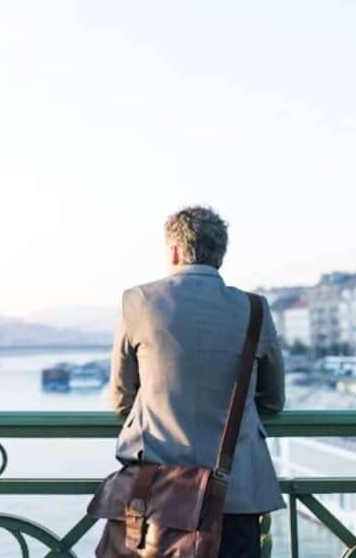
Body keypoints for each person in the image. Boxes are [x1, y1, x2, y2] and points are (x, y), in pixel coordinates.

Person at [110, 205, 286, 558]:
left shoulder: (138, 301)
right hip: (235, 491)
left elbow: (121, 397)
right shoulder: (255, 308)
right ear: (220, 254)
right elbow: (273, 400)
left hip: (159, 491)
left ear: (174, 251)